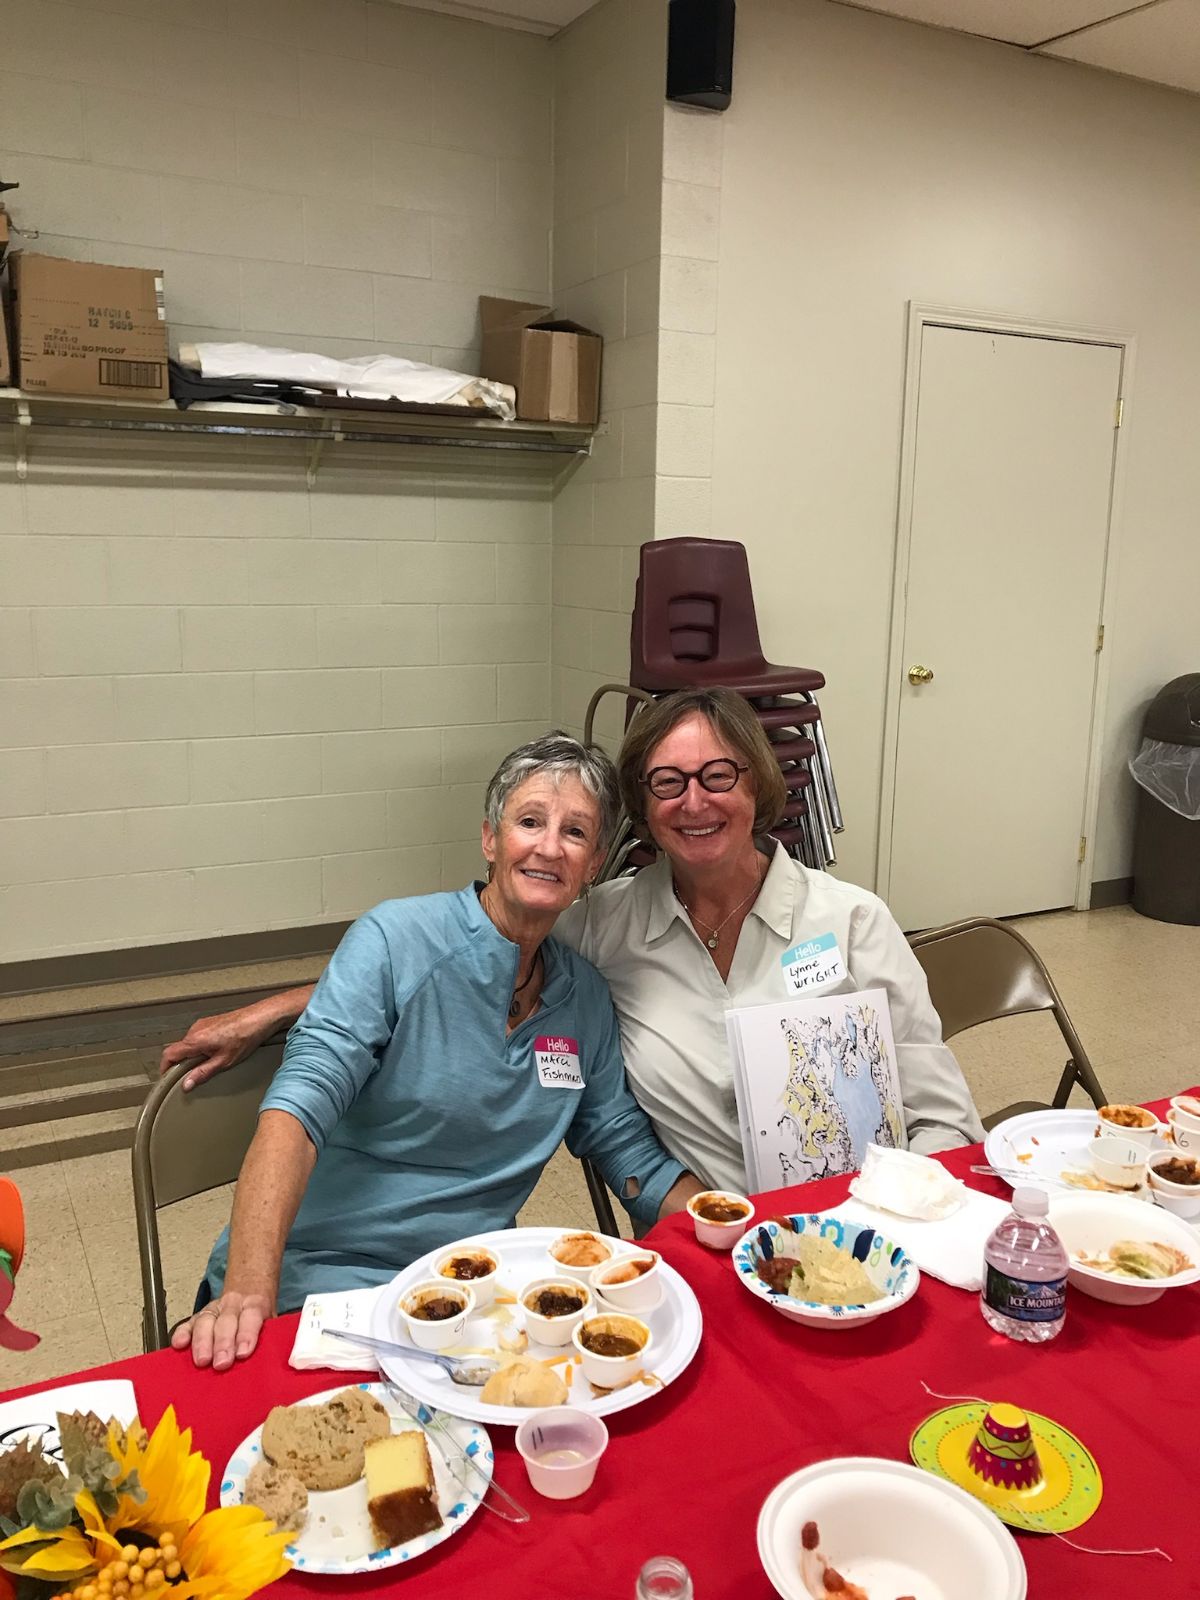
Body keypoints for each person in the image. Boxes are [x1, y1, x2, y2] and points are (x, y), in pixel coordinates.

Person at [164, 689, 982, 1202]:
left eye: (718, 775)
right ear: (643, 811)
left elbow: (943, 1114)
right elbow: (463, 954)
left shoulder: (855, 923)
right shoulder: (603, 926)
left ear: (757, 784)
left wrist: (906, 1219)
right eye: (667, 782)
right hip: (721, 1241)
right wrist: (291, 1005)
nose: (694, 802)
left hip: (878, 1223)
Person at [173, 734, 700, 1371]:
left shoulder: (582, 998)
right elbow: (297, 1113)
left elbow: (623, 1145)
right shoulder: (395, 938)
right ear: (490, 839)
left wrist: (719, 1224)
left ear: (592, 866)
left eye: (576, 832)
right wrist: (248, 1292)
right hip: (320, 1279)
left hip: (470, 1294)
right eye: (529, 822)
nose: (548, 846)